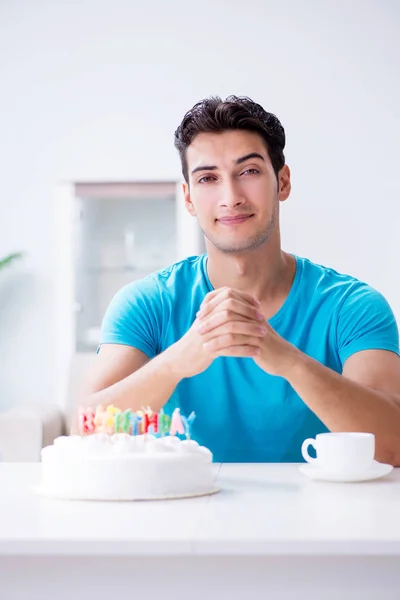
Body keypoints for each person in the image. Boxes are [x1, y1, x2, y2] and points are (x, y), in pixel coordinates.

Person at [79, 95, 400, 464]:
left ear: (282, 181)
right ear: (187, 198)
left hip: (320, 518)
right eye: (208, 178)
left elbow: (393, 446)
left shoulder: (353, 307)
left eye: (248, 172)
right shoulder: (146, 303)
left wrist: (286, 359)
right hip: (178, 514)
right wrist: (179, 360)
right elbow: (85, 429)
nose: (230, 197)